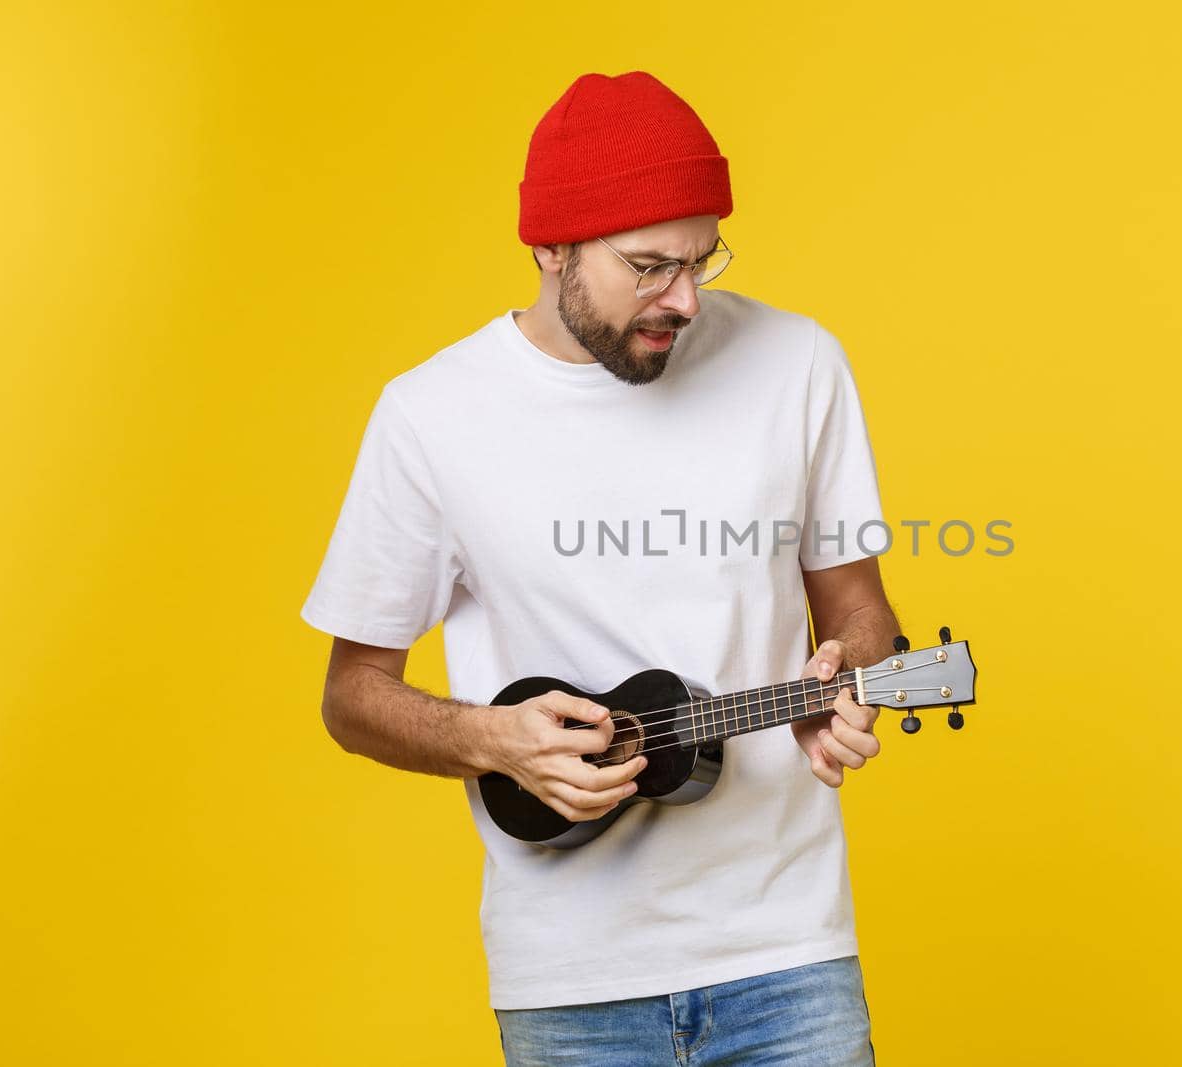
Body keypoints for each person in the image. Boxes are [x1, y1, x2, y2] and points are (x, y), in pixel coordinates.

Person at [300, 70, 898, 1065]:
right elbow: (352, 694)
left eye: (703, 260)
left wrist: (847, 683)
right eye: (649, 266)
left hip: (786, 951)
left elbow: (859, 611)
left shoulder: (798, 363)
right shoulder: (432, 415)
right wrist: (490, 736)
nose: (686, 299)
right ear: (550, 248)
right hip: (570, 983)